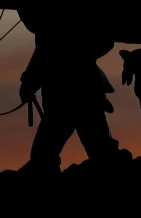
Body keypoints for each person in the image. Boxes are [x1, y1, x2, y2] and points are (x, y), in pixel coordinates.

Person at [18, 33, 131, 174]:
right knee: (101, 152)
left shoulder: (50, 29)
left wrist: (30, 81)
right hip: (82, 92)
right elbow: (44, 51)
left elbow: (44, 51)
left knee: (43, 156)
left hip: (67, 98)